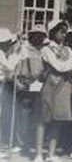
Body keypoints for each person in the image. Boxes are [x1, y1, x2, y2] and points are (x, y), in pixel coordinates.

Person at [38, 20, 72, 162]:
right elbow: (58, 66)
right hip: (50, 85)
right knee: (44, 118)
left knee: (58, 119)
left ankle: (51, 153)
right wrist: (65, 65)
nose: (63, 35)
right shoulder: (46, 49)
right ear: (53, 33)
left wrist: (65, 64)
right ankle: (38, 153)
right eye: (61, 32)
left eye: (65, 32)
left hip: (64, 87)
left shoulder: (68, 50)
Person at [14, 25, 46, 156]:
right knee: (24, 116)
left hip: (40, 87)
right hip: (26, 85)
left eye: (41, 35)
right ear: (32, 35)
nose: (39, 37)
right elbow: (16, 68)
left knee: (38, 117)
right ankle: (22, 143)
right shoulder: (24, 50)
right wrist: (17, 82)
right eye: (36, 34)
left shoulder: (44, 51)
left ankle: (33, 142)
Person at [0, 28, 19, 157]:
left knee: (7, 114)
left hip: (8, 87)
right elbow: (6, 71)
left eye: (9, 42)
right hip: (1, 84)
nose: (8, 45)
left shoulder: (13, 55)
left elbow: (14, 69)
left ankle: (6, 143)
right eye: (5, 42)